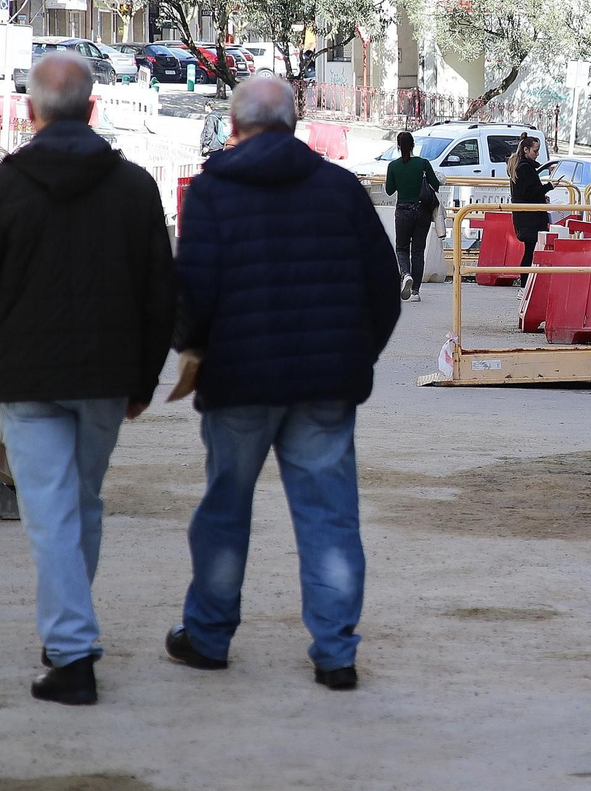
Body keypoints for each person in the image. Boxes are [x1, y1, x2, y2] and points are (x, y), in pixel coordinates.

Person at [0, 51, 175, 705]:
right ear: (92, 109)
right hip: (107, 378)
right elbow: (159, 293)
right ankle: (69, 632)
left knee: (52, 514)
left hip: (29, 378)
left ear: (31, 110)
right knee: (79, 505)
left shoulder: (1, 188)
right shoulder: (135, 187)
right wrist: (143, 380)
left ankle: (70, 653)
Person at [168, 76, 400, 690]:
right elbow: (384, 288)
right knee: (329, 517)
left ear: (236, 127)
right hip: (327, 384)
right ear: (294, 125)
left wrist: (192, 349)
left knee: (225, 508)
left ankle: (209, 639)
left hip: (238, 381)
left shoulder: (214, 190)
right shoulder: (340, 188)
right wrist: (358, 357)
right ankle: (336, 654)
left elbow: (192, 292)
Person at [382, 129, 440, 303]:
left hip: (403, 211)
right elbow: (435, 185)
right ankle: (415, 292)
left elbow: (389, 190)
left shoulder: (393, 166)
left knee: (401, 248)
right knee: (418, 251)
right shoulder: (423, 164)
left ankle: (406, 274)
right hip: (423, 211)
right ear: (414, 145)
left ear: (399, 146)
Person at [507, 133, 550, 299]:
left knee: (530, 250)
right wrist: (548, 187)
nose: (537, 153)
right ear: (526, 150)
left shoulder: (519, 165)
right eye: (535, 150)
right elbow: (529, 192)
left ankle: (525, 286)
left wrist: (541, 195)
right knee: (530, 251)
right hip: (529, 217)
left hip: (524, 216)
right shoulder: (525, 168)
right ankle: (524, 287)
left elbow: (525, 192)